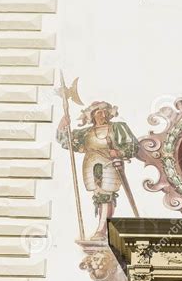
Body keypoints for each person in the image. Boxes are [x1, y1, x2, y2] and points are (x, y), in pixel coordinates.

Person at [57, 101, 139, 240]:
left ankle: (101, 230)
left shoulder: (118, 127)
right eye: (98, 113)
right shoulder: (86, 132)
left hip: (109, 164)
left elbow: (132, 146)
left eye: (104, 112)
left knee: (106, 194)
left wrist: (119, 152)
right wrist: (62, 126)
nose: (102, 115)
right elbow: (67, 142)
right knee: (99, 195)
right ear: (92, 116)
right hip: (91, 165)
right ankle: (101, 228)